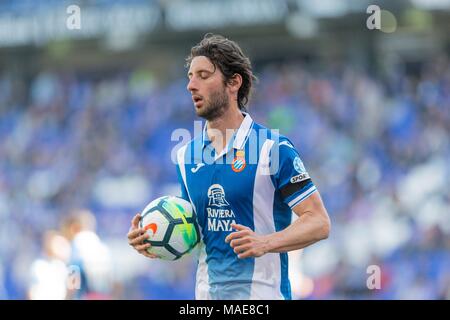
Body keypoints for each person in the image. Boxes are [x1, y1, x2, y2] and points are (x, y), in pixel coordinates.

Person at [128, 34, 331, 300]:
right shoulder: (186, 156)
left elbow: (319, 222)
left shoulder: (273, 148)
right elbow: (199, 234)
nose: (191, 85)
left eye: (203, 75)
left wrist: (265, 242)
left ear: (234, 82)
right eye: (190, 76)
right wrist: (153, 238)